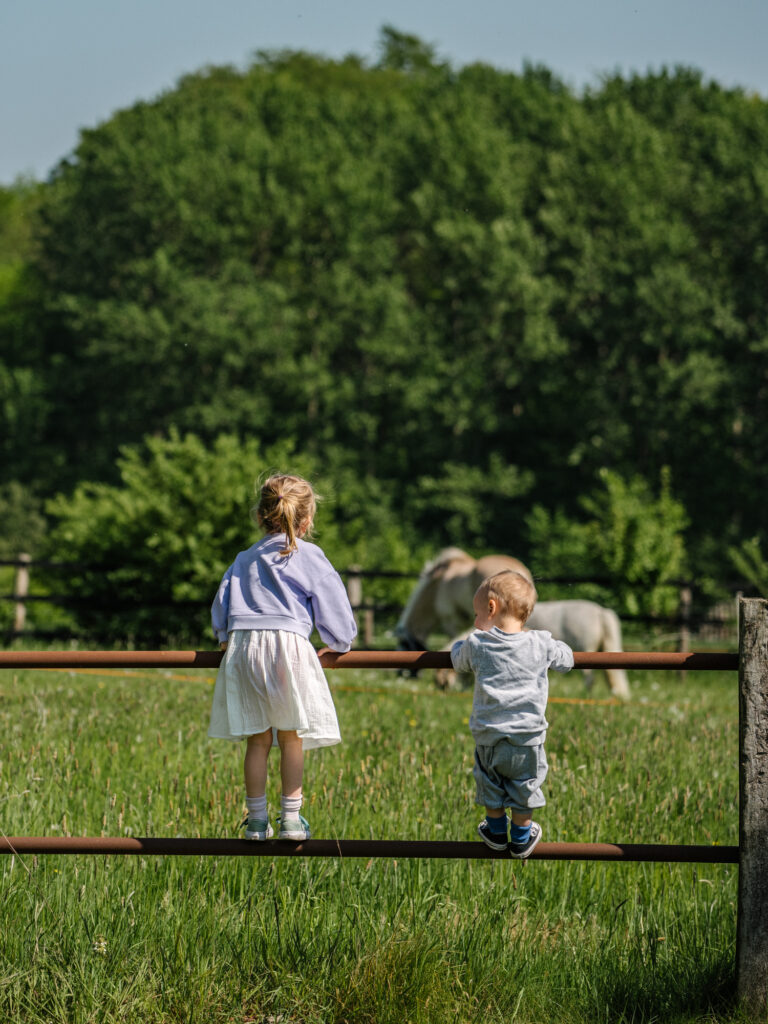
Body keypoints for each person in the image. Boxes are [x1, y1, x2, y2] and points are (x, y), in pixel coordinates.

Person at [208, 473, 357, 841]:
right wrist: (339, 643)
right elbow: (336, 614)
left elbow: (221, 607)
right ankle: (291, 819)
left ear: (260, 516)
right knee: (291, 737)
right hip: (287, 646)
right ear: (306, 521)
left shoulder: (244, 558)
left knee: (257, 740)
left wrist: (225, 637)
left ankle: (257, 821)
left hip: (244, 648)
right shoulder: (310, 556)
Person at [450, 569, 573, 858]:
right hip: (527, 737)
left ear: (491, 608)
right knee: (525, 784)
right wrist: (557, 645)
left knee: (490, 782)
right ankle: (520, 837)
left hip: (489, 736)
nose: (476, 621)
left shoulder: (477, 644)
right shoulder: (541, 642)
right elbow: (567, 661)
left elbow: (458, 661)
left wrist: (459, 644)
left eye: (477, 614)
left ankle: (495, 831)